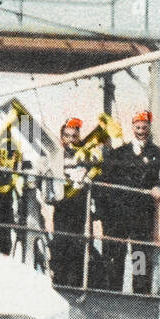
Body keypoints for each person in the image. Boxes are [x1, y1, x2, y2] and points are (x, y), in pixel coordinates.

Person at [100, 110, 160, 295]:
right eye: (138, 127)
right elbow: (104, 175)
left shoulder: (155, 152)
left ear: (148, 128)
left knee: (140, 255)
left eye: (144, 127)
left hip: (142, 216)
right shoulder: (120, 153)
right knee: (116, 254)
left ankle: (140, 293)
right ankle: (113, 292)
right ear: (132, 127)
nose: (141, 131)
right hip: (119, 214)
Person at [48, 117, 97, 289]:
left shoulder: (86, 155)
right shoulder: (56, 156)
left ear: (79, 137)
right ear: (62, 137)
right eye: (67, 136)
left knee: (79, 246)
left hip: (80, 207)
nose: (70, 140)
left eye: (74, 136)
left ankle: (76, 284)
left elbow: (95, 171)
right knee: (61, 244)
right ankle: (59, 283)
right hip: (62, 207)